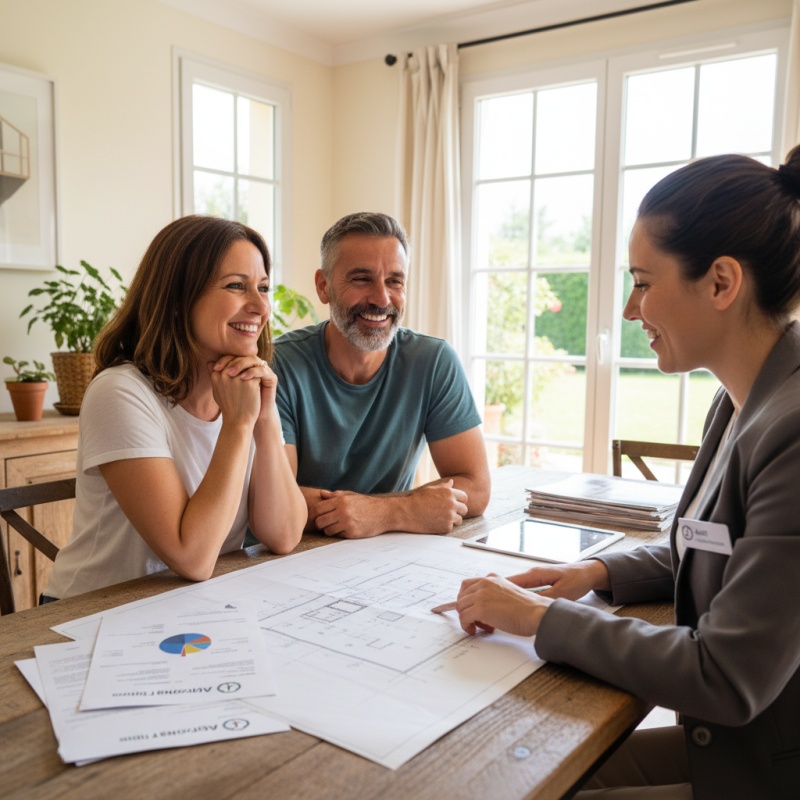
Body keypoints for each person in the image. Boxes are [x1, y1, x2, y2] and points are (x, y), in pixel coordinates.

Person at [435, 148, 800, 798]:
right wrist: (595, 574)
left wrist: (538, 619)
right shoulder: (742, 397)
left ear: (721, 283)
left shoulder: (792, 430)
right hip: (738, 747)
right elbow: (717, 542)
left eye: (642, 281)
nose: (631, 312)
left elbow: (725, 675)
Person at [44, 215, 306, 600]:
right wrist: (237, 425)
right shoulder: (120, 393)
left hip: (191, 607)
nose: (259, 307)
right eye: (236, 286)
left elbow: (283, 535)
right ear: (179, 298)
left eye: (263, 288)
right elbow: (193, 558)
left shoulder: (246, 392)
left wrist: (264, 419)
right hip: (92, 615)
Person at [272, 211, 490, 539]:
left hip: (387, 553)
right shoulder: (279, 365)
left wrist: (384, 512)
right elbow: (277, 501)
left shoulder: (433, 361)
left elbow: (476, 486)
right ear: (324, 286)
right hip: (287, 555)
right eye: (361, 279)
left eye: (394, 281)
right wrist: (409, 509)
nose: (381, 298)